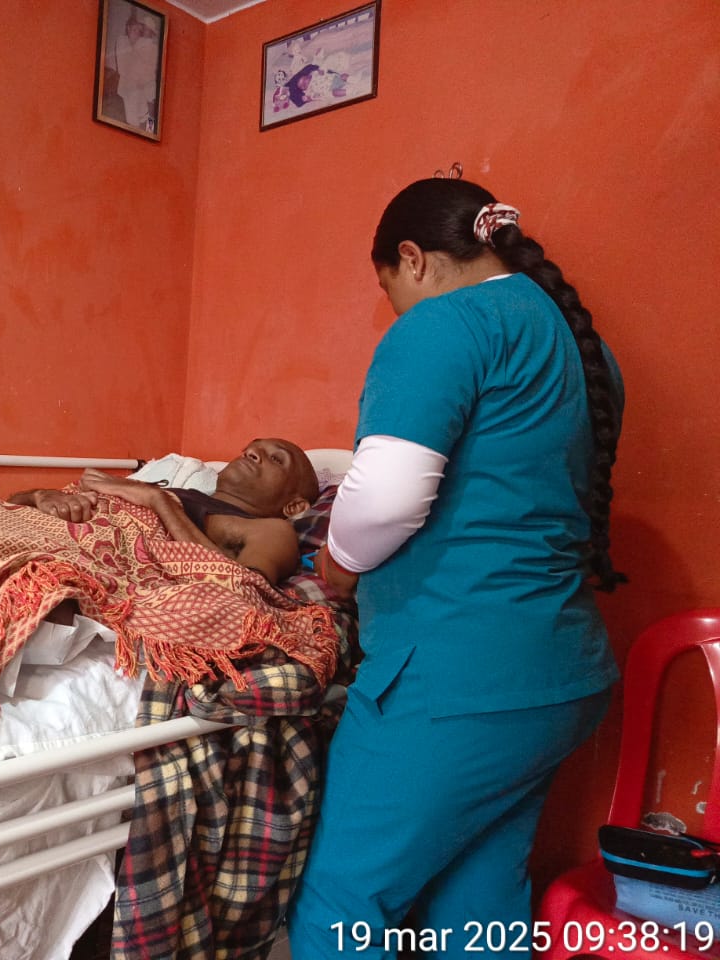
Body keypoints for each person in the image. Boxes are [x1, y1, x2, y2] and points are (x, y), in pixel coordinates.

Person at [287, 177, 625, 959]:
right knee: (478, 898)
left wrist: (338, 565)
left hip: (458, 681)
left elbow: (385, 499)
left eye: (390, 290)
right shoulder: (586, 349)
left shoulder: (443, 326)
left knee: (344, 901)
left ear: (413, 259)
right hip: (560, 676)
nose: (396, 310)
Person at [10, 438, 319, 585]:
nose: (251, 452)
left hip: (67, 565)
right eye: (252, 447)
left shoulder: (271, 529)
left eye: (276, 459)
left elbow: (244, 590)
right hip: (26, 531)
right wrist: (41, 496)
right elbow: (11, 503)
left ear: (294, 506)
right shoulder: (177, 494)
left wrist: (158, 501)